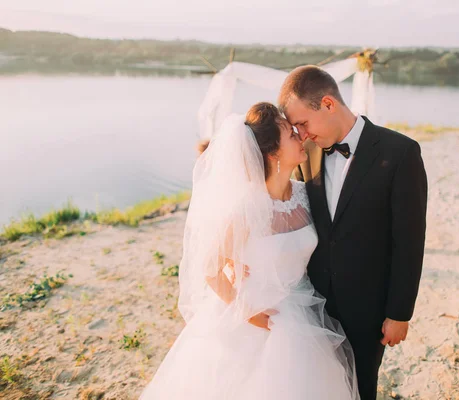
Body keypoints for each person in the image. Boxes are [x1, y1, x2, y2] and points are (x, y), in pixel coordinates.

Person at [139, 102, 359, 400]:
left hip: (305, 310)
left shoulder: (306, 194)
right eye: (290, 134)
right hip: (258, 313)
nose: (300, 137)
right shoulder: (245, 207)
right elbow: (210, 269)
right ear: (272, 153)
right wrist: (246, 311)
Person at [280, 65, 428, 400]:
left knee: (361, 389)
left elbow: (408, 242)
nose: (301, 134)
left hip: (368, 309)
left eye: (303, 123)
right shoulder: (306, 154)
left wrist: (399, 313)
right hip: (312, 305)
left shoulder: (401, 152)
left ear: (329, 104)